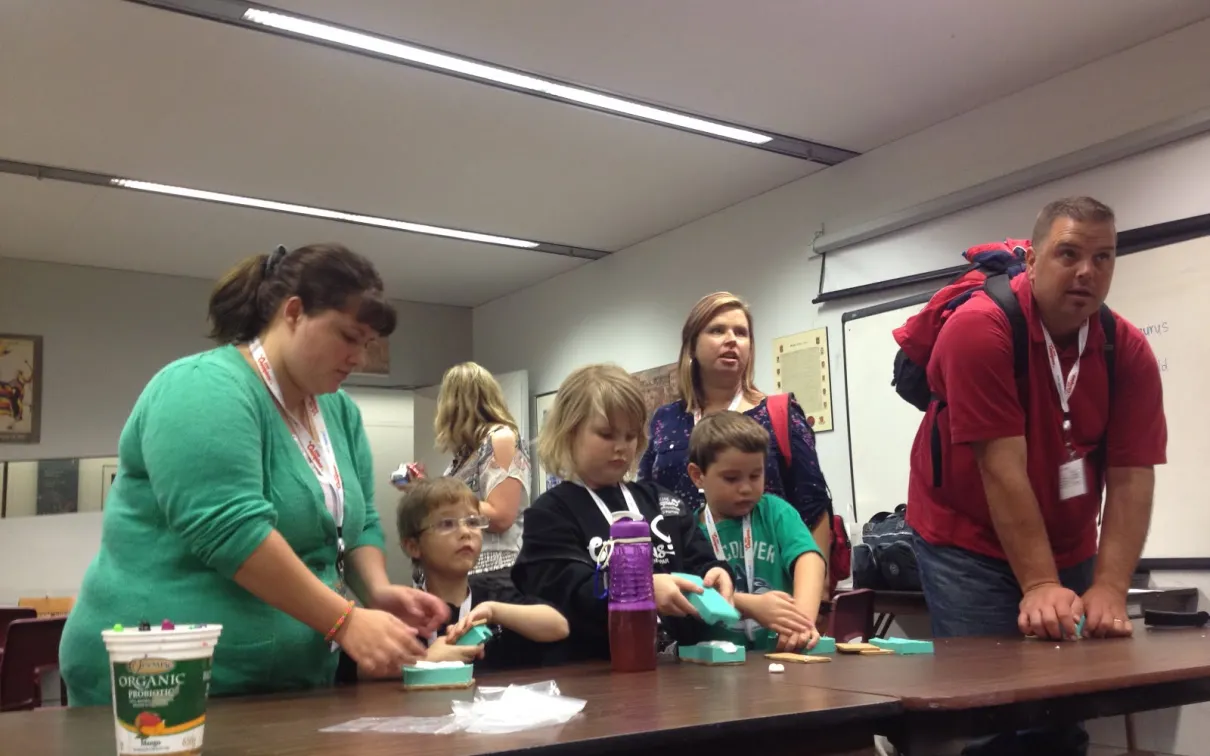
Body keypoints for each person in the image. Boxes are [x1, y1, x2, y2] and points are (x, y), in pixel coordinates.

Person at [59, 244, 448, 706]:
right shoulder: (204, 386)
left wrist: (377, 592)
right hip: (163, 678)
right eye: (348, 336)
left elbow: (358, 523)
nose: (359, 358)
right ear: (294, 312)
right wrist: (345, 620)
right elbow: (232, 532)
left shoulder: (337, 411)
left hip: (285, 682)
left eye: (367, 344)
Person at [904, 198, 1167, 753]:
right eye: (1068, 254)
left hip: (1068, 536)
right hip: (965, 538)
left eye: (1103, 257)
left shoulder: (1126, 349)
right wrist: (1042, 585)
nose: (1087, 271)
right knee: (993, 706)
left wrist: (1110, 587)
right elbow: (1001, 469)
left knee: (1064, 702)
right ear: (1031, 260)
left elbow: (1131, 476)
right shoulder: (980, 329)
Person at [512, 363, 734, 662]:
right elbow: (566, 595)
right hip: (594, 669)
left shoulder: (661, 502)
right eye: (606, 434)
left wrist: (715, 572)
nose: (621, 447)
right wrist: (641, 589)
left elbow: (699, 559)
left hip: (680, 667)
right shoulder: (549, 514)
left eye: (630, 436)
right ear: (569, 432)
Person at [638, 292, 834, 584]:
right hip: (685, 581)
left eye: (741, 333)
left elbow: (813, 505)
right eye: (717, 330)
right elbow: (646, 499)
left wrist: (818, 592)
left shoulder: (778, 413)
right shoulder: (665, 420)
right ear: (692, 345)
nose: (731, 340)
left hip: (770, 577)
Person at [356, 477, 568, 677]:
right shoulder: (405, 611)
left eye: (473, 522)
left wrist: (493, 611)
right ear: (413, 546)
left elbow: (559, 626)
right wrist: (424, 661)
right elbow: (362, 671)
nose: (466, 532)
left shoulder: (495, 595)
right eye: (447, 524)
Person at [688, 411, 823, 652]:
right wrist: (752, 605)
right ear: (698, 476)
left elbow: (809, 560)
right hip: (713, 664)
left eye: (755, 475)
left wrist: (800, 623)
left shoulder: (775, 512)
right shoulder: (689, 531)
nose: (746, 488)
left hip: (780, 656)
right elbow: (689, 594)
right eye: (731, 478)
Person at [405, 362, 530, 591]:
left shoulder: (501, 439)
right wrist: (424, 489)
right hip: (461, 577)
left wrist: (435, 496)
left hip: (492, 576)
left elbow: (501, 516)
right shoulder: (465, 455)